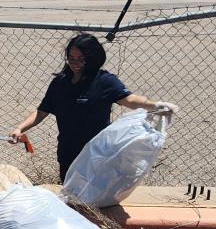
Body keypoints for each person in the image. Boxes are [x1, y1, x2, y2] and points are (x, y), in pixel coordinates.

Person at [9, 33, 179, 182]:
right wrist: (20, 128)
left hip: (98, 154)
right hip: (68, 152)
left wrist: (155, 105)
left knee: (94, 202)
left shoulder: (104, 81)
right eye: (71, 58)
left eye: (81, 59)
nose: (75, 64)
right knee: (71, 196)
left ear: (93, 58)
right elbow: (41, 111)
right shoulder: (60, 83)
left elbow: (129, 99)